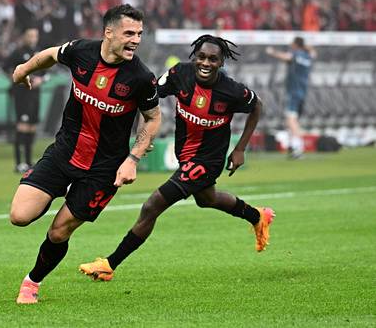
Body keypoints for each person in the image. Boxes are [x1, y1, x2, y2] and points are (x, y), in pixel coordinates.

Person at [79, 35, 275, 281]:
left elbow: (257, 105)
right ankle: (257, 216)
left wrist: (240, 149)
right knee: (207, 199)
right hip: (185, 154)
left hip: (207, 161)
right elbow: (150, 94)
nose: (205, 63)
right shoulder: (179, 74)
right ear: (195, 57)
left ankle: (109, 265)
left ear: (221, 62)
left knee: (152, 206)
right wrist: (143, 133)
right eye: (201, 57)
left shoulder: (232, 91)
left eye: (213, 59)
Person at [10, 4, 161, 304]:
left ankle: (32, 282)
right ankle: (51, 196)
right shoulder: (82, 52)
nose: (136, 40)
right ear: (109, 32)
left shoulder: (141, 77)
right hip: (64, 152)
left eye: (140, 34)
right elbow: (52, 54)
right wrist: (24, 69)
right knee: (19, 215)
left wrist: (133, 159)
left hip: (104, 169)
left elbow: (153, 118)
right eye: (129, 33)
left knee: (58, 232)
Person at [266, 37, 317, 159]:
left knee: (290, 120)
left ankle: (298, 147)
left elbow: (286, 57)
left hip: (294, 92)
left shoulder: (296, 54)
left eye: (292, 43)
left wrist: (272, 52)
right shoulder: (308, 56)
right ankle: (293, 146)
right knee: (292, 120)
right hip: (303, 92)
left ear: (296, 44)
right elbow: (314, 53)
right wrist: (307, 47)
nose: (290, 45)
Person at [3, 26, 44, 173]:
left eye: (35, 35)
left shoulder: (39, 53)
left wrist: (41, 79)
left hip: (35, 94)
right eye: (30, 35)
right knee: (22, 126)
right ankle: (18, 163)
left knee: (32, 127)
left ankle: (28, 161)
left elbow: (45, 73)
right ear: (24, 37)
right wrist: (17, 79)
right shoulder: (18, 52)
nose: (33, 38)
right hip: (22, 94)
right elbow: (5, 67)